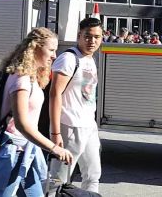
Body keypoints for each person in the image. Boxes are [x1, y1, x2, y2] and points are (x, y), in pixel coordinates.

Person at [0, 28, 73, 196]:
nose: (54, 55)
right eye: (51, 50)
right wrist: (53, 148)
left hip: (26, 150)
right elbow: (22, 124)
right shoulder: (21, 79)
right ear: (35, 47)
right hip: (11, 153)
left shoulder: (31, 78)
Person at [49, 18, 103, 193]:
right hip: (69, 126)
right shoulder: (68, 59)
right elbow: (55, 94)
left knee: (93, 174)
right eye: (87, 36)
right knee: (58, 178)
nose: (92, 41)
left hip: (88, 126)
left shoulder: (90, 59)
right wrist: (56, 132)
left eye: (97, 37)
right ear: (79, 36)